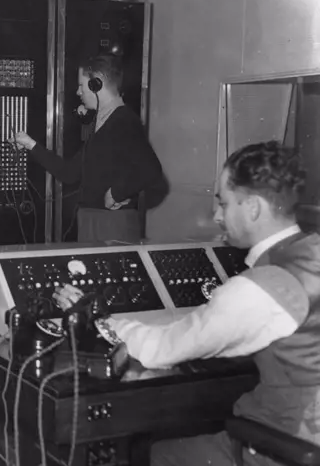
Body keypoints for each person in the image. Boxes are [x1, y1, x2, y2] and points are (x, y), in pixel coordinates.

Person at [54, 140, 319, 465]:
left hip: (279, 447)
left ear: (252, 208)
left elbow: (163, 348)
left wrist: (101, 321)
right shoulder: (311, 251)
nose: (216, 214)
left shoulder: (263, 286)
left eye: (223, 203)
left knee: (148, 453)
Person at [10, 53, 163, 243]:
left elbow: (151, 169)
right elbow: (69, 173)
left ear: (96, 84)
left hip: (110, 225)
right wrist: (30, 144)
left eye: (82, 86)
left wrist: (117, 193)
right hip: (93, 221)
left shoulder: (123, 121)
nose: (78, 92)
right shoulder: (102, 124)